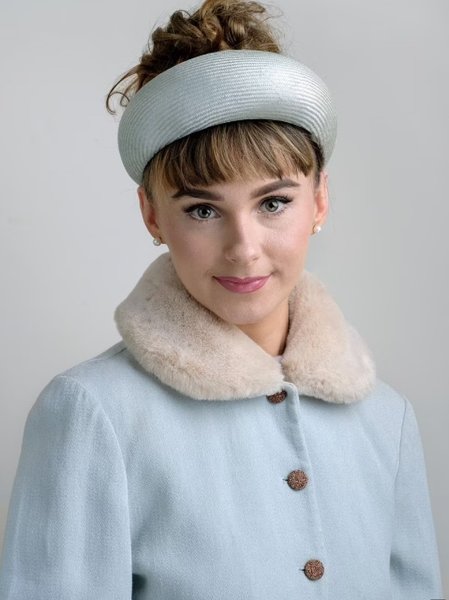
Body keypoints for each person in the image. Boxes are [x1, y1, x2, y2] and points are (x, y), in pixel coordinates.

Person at [0, 0, 443, 598]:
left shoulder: (386, 420)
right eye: (203, 210)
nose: (244, 249)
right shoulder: (92, 414)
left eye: (273, 202)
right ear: (152, 215)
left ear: (319, 201)